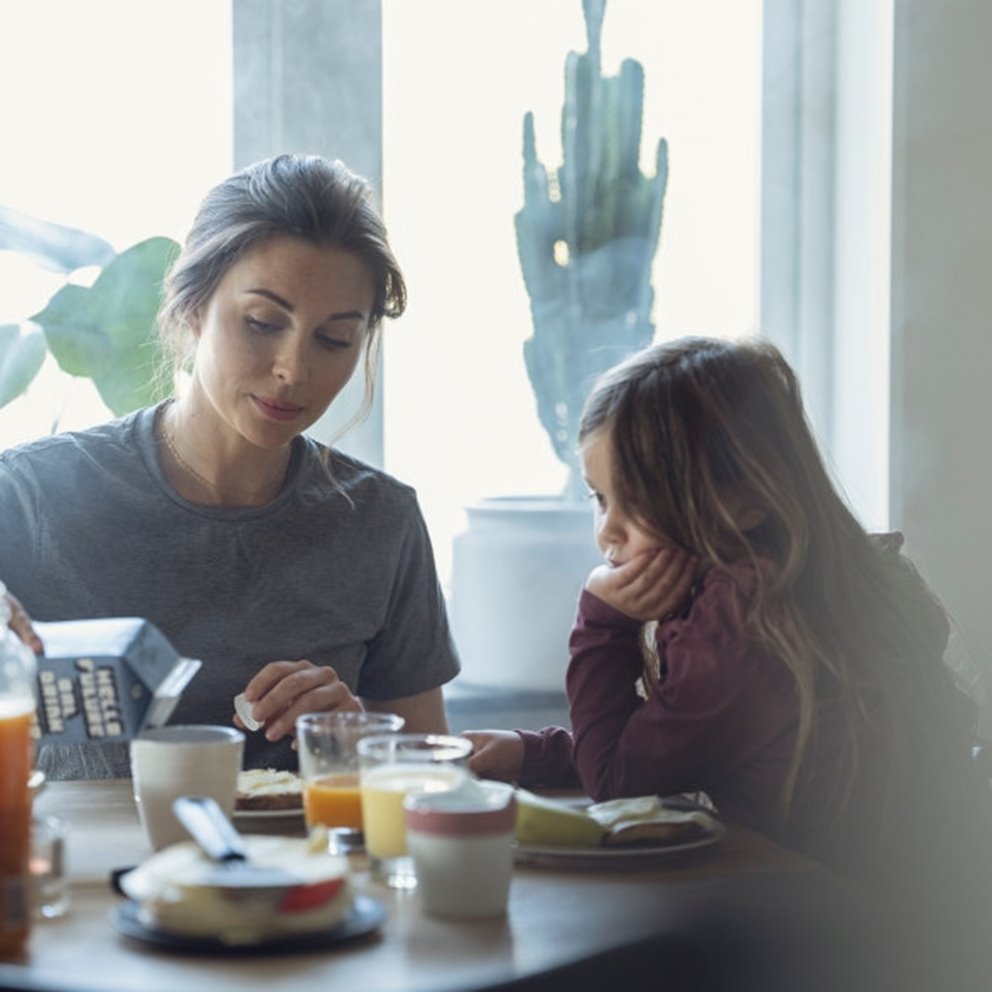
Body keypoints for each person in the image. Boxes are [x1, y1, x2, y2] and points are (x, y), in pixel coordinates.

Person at [463, 336, 992, 897]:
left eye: (636, 501)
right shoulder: (819, 578)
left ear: (746, 499)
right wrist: (537, 751)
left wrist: (602, 620)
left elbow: (618, 785)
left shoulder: (745, 615)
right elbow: (688, 740)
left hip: (830, 931)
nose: (607, 532)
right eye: (600, 498)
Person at [0, 153, 460, 779]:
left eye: (334, 340)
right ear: (192, 308)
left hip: (299, 873)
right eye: (262, 322)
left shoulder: (380, 521)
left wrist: (349, 737)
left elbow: (424, 788)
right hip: (82, 873)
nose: (294, 370)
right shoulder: (30, 495)